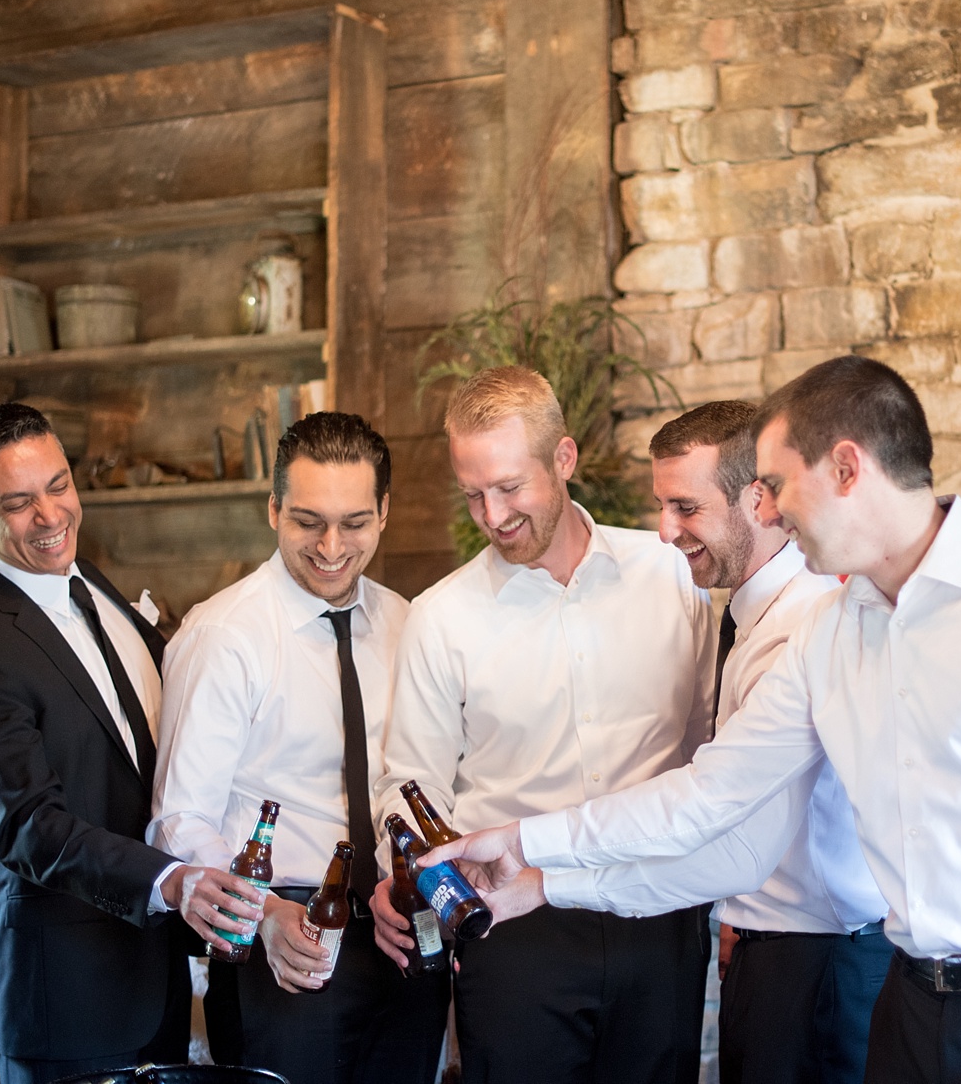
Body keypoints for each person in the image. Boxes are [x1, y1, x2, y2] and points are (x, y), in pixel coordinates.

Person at [424, 356, 961, 1084]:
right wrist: (532, 859)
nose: (772, 508)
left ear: (847, 469)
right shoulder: (828, 631)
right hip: (908, 1005)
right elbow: (712, 800)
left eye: (780, 484)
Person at [368, 366, 716, 1084]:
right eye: (473, 493)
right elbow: (408, 787)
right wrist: (414, 876)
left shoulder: (670, 573)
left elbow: (708, 744)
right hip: (513, 929)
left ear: (563, 458)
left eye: (509, 486)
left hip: (658, 910)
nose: (492, 515)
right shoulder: (442, 615)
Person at [537, 400, 892, 1084]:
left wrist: (534, 862)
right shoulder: (749, 612)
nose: (665, 531)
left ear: (758, 500)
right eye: (661, 506)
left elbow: (709, 804)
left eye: (685, 507)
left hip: (823, 967)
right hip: (780, 954)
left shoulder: (803, 623)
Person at [0, 403, 267, 1084]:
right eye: (19, 503)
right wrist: (170, 881)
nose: (52, 516)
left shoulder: (95, 585)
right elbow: (29, 826)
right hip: (67, 999)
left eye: (59, 484)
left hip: (155, 978)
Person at [150, 411, 449, 1083]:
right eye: (308, 520)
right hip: (280, 938)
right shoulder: (223, 634)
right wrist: (262, 916)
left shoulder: (409, 624)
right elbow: (179, 818)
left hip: (402, 937)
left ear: (385, 511)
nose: (332, 545)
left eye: (355, 521)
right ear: (273, 508)